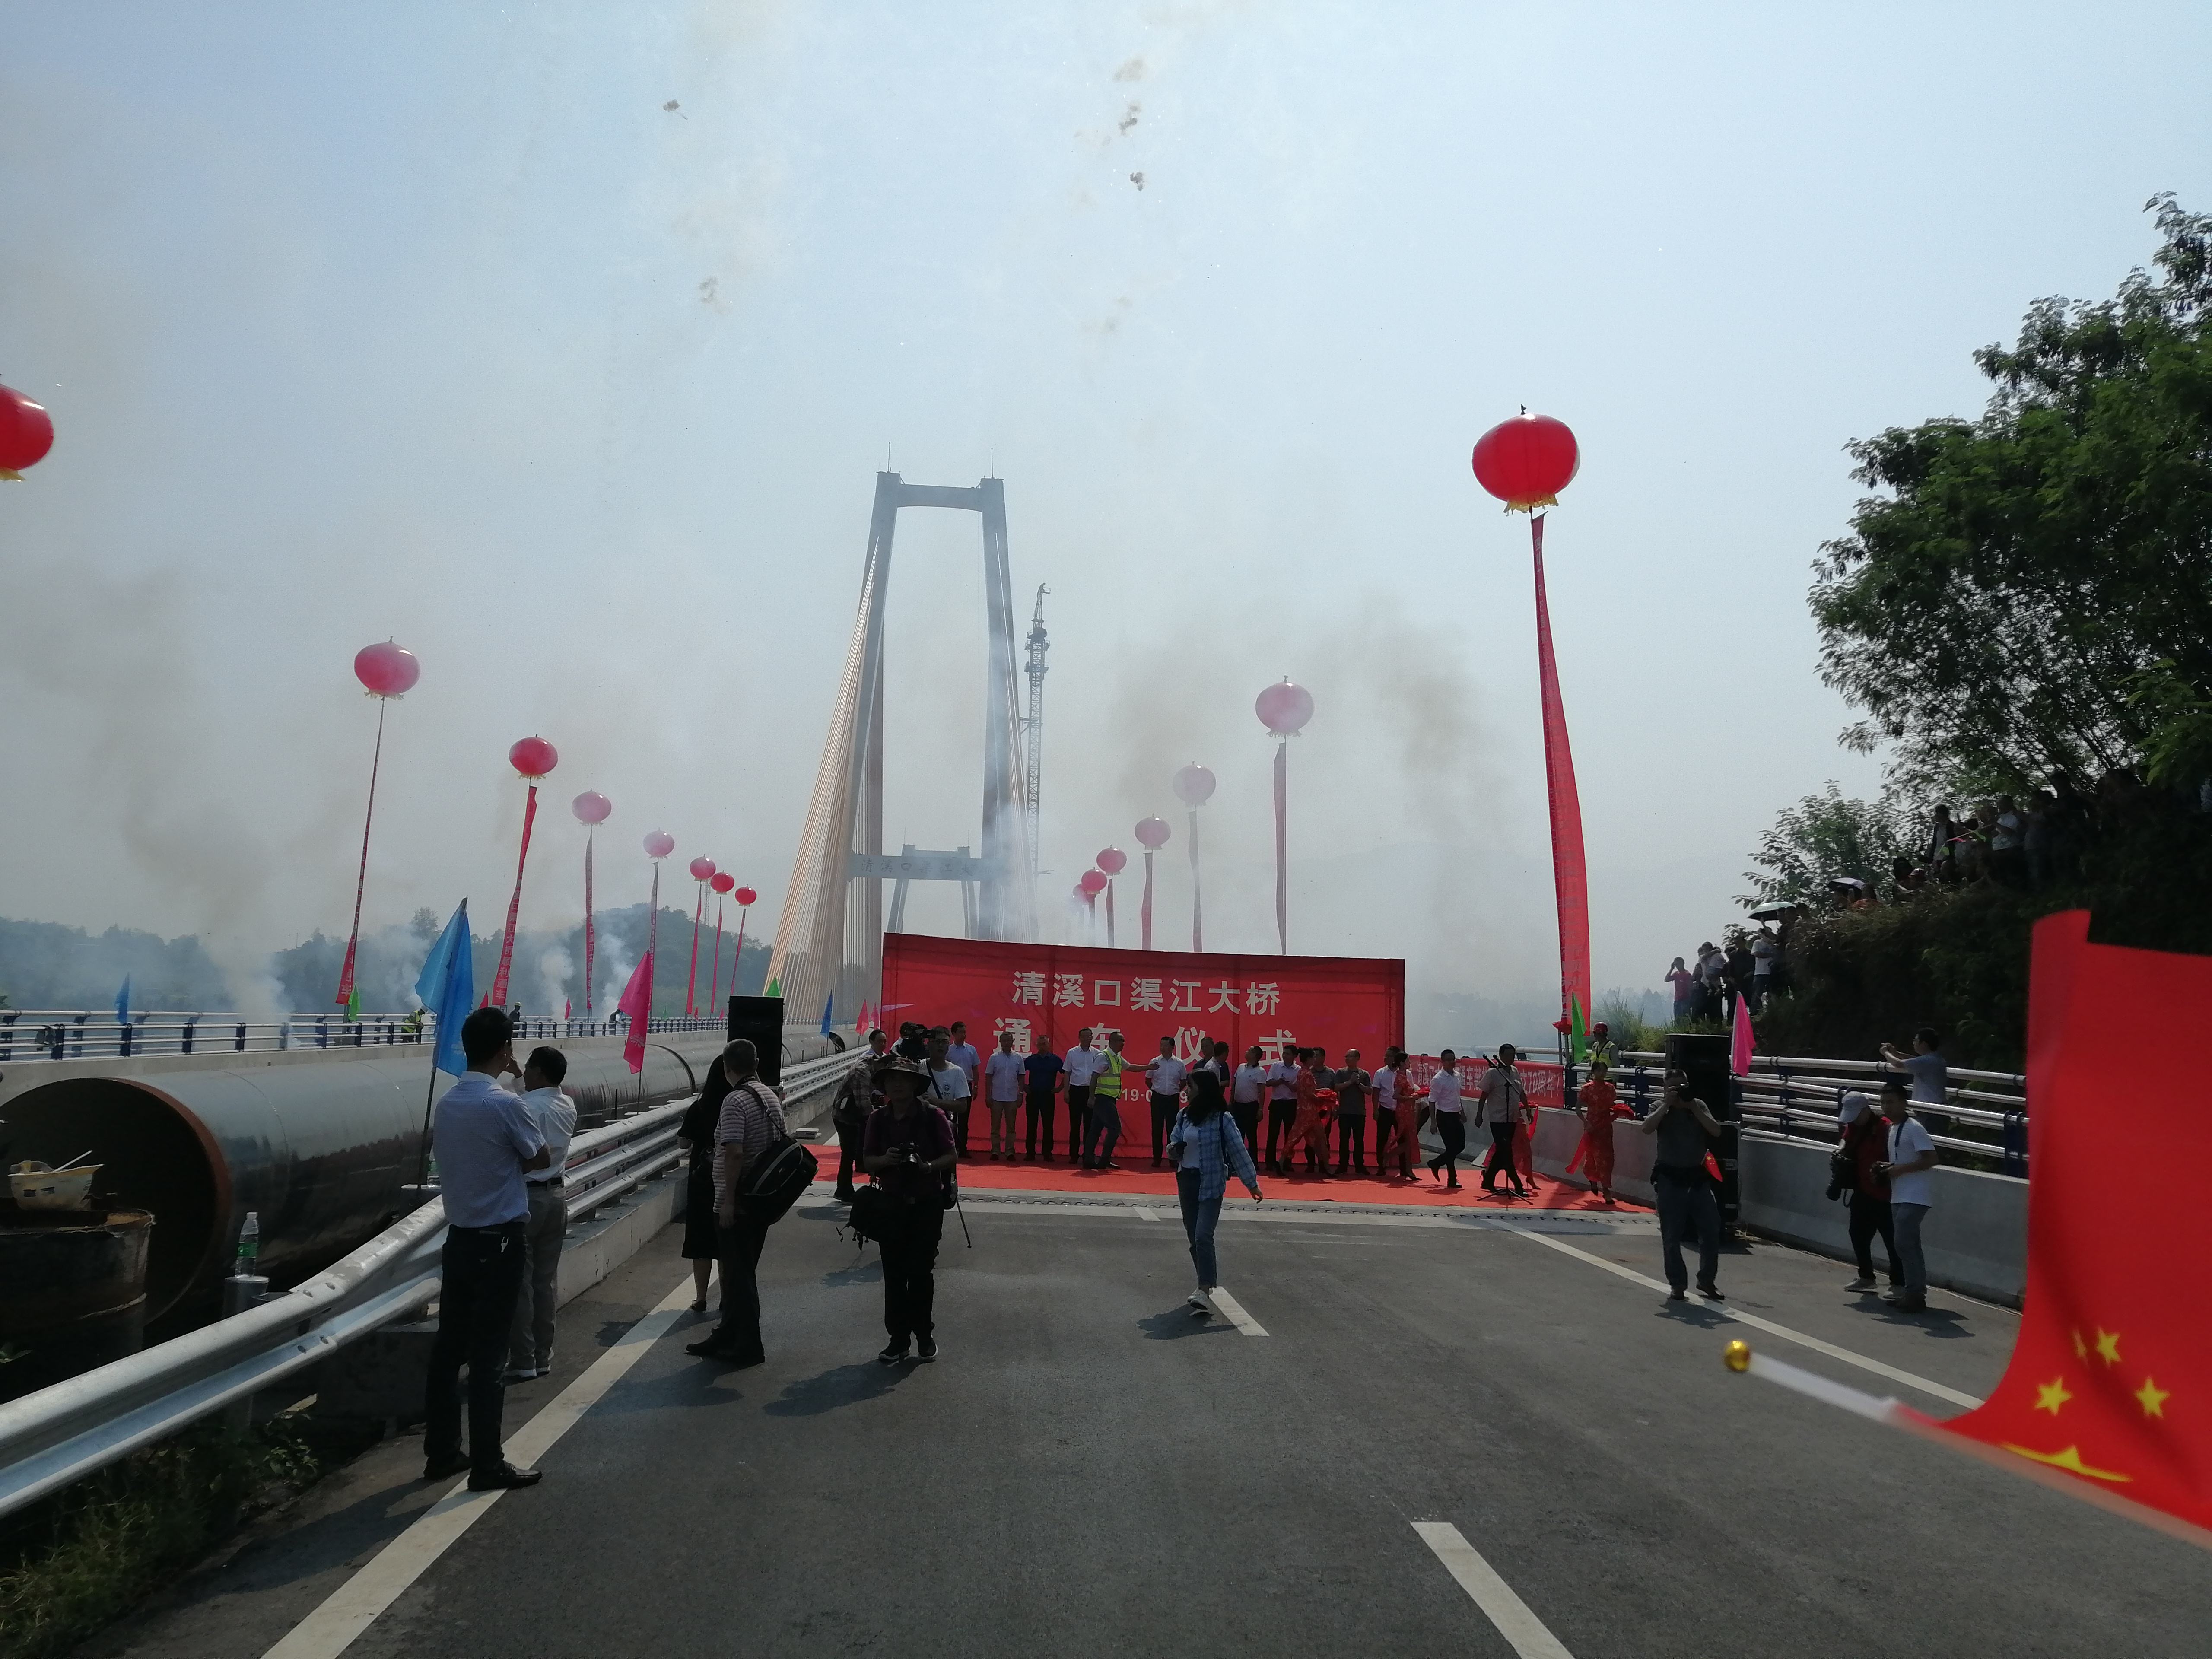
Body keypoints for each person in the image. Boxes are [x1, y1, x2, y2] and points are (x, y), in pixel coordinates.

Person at [422, 1007, 550, 1491]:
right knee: (490, 1356)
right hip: (500, 1242)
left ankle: (441, 1452)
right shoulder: (504, 1103)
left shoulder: (448, 1103)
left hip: (459, 1240)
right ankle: (487, 1464)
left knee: (448, 1350)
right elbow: (539, 1156)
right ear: (505, 1050)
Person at [686, 1039, 787, 1367]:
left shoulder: (735, 1100)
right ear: (756, 1064)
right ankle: (726, 1335)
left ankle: (747, 1346)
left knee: (738, 1276)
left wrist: (727, 1201)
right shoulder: (770, 1096)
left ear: (726, 1068)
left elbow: (734, 1152)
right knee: (739, 1272)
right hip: (761, 1198)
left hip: (738, 1200)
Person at [861, 1053, 957, 1363]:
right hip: (891, 1205)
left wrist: (928, 1167)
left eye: (904, 1079)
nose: (897, 1084)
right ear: (884, 1086)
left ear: (915, 1085)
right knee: (893, 1275)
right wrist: (886, 1160)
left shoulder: (932, 1116)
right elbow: (868, 1161)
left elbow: (951, 1156)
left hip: (927, 1204)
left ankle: (925, 1336)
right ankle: (898, 1339)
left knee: (921, 1273)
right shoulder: (878, 1119)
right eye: (891, 1079)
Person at [505, 1046, 576, 1383]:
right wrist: (519, 1076)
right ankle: (543, 1354)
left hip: (527, 1199)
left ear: (540, 1073)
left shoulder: (526, 1107)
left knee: (521, 1281)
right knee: (545, 1281)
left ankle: (523, 1359)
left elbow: (522, 1113)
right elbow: (534, 1101)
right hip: (557, 1196)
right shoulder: (567, 1104)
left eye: (530, 1069)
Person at [1167, 1070, 1263, 1315]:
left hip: (1211, 1182)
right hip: (1187, 1181)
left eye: (1191, 1086)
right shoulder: (1184, 1116)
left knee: (1203, 1235)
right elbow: (1173, 1143)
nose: (1187, 1090)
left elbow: (1238, 1150)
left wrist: (1251, 1183)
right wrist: (1175, 1149)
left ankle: (1203, 1289)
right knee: (1193, 1237)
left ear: (1203, 1089)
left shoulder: (1223, 1118)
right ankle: (1205, 1284)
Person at [1638, 1067, 1724, 1302]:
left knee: (1711, 1229)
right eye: (1673, 1087)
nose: (1678, 1091)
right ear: (1665, 1089)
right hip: (1670, 1179)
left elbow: (1716, 1131)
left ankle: (1707, 1279)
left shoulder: (1698, 1105)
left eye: (1682, 1086)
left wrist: (1693, 1107)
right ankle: (1677, 1284)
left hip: (1697, 1178)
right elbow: (1646, 1128)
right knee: (1671, 1235)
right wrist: (1667, 1105)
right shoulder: (1659, 1107)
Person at [677, 1053, 731, 1310]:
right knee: (725, 1241)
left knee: (700, 1240)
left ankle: (700, 1298)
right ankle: (726, 1298)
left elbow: (683, 1143)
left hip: (701, 1179)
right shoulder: (736, 1106)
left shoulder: (699, 1107)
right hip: (729, 1178)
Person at [1876, 1081, 1937, 1313]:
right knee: (1909, 1244)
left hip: (1915, 1196)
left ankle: (1914, 1293)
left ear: (1904, 1103)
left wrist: (1899, 1170)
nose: (1886, 1107)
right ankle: (1915, 1292)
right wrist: (1887, 1168)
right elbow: (1903, 1160)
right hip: (1900, 1194)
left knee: (1903, 1242)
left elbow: (1931, 1159)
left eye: (1891, 1102)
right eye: (1883, 1102)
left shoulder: (1914, 1127)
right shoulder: (1894, 1128)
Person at [1836, 1091, 1900, 1294]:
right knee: (1857, 1234)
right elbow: (1845, 1141)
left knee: (1892, 1240)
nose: (1853, 1120)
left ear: (1866, 1110)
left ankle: (1898, 1283)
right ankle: (1866, 1276)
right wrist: (1840, 1152)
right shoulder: (1854, 1127)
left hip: (1886, 1194)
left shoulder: (1886, 1128)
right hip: (1862, 1189)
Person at [828, 1030, 889, 1204]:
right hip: (845, 1115)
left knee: (856, 1149)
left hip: (853, 1113)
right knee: (848, 1153)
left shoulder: (875, 1064)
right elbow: (864, 1104)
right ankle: (844, 1190)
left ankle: (851, 1179)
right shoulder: (863, 1071)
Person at [1475, 1045, 1530, 1198]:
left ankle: (1488, 1179)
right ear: (1500, 1056)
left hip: (1512, 1118)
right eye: (1508, 1055)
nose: (1511, 1059)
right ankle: (1518, 1185)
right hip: (1498, 1119)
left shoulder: (1514, 1071)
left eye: (1513, 1055)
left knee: (1502, 1151)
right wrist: (1479, 1115)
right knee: (1506, 1151)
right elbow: (1483, 1096)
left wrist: (1527, 1109)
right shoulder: (1493, 1073)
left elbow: (1521, 1092)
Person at [1573, 1057, 1626, 1203]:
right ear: (1593, 1072)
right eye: (1599, 1070)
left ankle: (1606, 1188)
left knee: (1607, 1158)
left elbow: (1611, 1106)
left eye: (1604, 1070)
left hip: (1606, 1127)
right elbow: (1578, 1108)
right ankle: (1596, 1181)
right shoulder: (1587, 1088)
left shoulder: (1610, 1088)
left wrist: (1620, 1111)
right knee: (1593, 1156)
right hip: (1592, 1126)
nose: (1602, 1073)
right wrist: (1586, 1122)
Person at [1880, 1027, 1950, 1135]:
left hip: (1929, 1111)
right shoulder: (1934, 1059)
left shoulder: (1927, 1061)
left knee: (1929, 1139)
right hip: (1934, 1108)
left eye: (1916, 1040)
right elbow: (1914, 1061)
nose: (1914, 1043)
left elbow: (1898, 1064)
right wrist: (1896, 1053)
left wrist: (1885, 1053)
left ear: (1924, 1044)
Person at [924, 1030, 974, 1157]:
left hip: (943, 1128)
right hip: (920, 1127)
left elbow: (962, 1106)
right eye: (937, 1042)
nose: (941, 1045)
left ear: (949, 1045)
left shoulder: (957, 1072)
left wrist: (935, 1101)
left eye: (944, 1042)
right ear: (929, 1044)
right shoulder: (919, 1067)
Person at [1084, 1030, 1129, 1170]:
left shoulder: (1117, 1057)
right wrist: (1091, 1097)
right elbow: (1094, 1077)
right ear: (1113, 1042)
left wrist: (1149, 1067)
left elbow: (1131, 1067)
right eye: (1121, 1041)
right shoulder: (1103, 1056)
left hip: (1110, 1098)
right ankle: (1104, 1160)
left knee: (1096, 1130)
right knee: (1115, 1128)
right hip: (1103, 1098)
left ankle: (1089, 1160)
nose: (1123, 1044)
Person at [1145, 1035, 1189, 1167]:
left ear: (1172, 1047)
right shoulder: (1155, 1062)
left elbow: (1183, 1081)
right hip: (1157, 1098)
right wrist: (1156, 1089)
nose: (1162, 1048)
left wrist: (1175, 1090)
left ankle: (1172, 1158)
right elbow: (1148, 1080)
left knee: (1173, 1128)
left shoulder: (1179, 1063)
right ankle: (1157, 1158)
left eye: (1165, 1045)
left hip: (1172, 1098)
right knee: (1157, 1128)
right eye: (1161, 1045)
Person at [982, 1030, 1027, 1161]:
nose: (1007, 1043)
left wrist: (1021, 1094)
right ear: (1000, 1042)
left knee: (1011, 1127)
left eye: (1009, 1040)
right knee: (995, 1127)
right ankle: (995, 1151)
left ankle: (1010, 1151)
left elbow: (1021, 1077)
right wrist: (988, 1095)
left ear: (1013, 1042)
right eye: (1004, 1040)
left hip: (1012, 1097)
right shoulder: (994, 1058)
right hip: (996, 1096)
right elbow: (988, 1077)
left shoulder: (1018, 1058)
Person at [1062, 1027, 1105, 1162]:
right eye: (1084, 1036)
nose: (1087, 1039)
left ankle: (1088, 1155)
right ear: (1079, 1038)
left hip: (1090, 1092)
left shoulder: (1098, 1054)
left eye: (1089, 1036)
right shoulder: (1072, 1053)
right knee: (1075, 1125)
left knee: (1090, 1126)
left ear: (1092, 1037)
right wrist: (1066, 1092)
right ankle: (1074, 1155)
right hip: (1076, 1091)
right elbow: (1067, 1073)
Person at [1425, 1050, 1467, 1187]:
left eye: (1453, 1059)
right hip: (1444, 1115)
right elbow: (1432, 1101)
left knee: (1460, 1146)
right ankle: (1452, 1179)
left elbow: (1457, 1096)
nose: (1452, 1062)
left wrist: (1462, 1112)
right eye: (1448, 1060)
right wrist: (1433, 1122)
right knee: (1451, 1147)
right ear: (1442, 1062)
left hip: (1456, 1114)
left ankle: (1436, 1163)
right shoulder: (1438, 1079)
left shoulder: (1457, 1076)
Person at [1263, 1038, 1300, 1176]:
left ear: (1295, 1056)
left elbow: (1297, 1089)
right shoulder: (1276, 1066)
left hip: (1291, 1103)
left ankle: (1287, 1162)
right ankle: (1270, 1161)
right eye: (1284, 1053)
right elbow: (1268, 1083)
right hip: (1277, 1103)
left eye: (1288, 1054)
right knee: (1273, 1133)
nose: (1285, 1056)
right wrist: (1279, 1081)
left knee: (1290, 1135)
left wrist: (1286, 1083)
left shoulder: (1298, 1070)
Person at [1022, 1039, 1064, 1161]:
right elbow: (1020, 1072)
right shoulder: (1031, 1059)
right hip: (1033, 1095)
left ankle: (1047, 1153)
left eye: (1044, 1044)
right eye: (1040, 1044)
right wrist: (1024, 1086)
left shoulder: (1055, 1059)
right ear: (1037, 1046)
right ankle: (1030, 1152)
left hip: (1048, 1096)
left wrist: (1060, 1088)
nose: (1042, 1046)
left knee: (1048, 1125)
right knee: (1032, 1125)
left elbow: (1066, 1073)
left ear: (1049, 1045)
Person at [1291, 1050, 1332, 1175]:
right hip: (1312, 1111)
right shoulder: (1308, 1073)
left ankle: (1323, 1166)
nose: (1315, 1059)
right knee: (1320, 1140)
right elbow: (1310, 1094)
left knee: (1300, 1139)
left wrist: (1324, 1094)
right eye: (1314, 1057)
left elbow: (1309, 1092)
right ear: (1309, 1059)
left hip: (1309, 1110)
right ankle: (1323, 1166)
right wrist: (1325, 1098)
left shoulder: (1302, 1072)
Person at [1332, 1049, 1371, 1174]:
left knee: (1359, 1140)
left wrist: (1358, 1083)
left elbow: (1369, 1091)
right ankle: (1343, 1165)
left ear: (1357, 1058)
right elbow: (1336, 1087)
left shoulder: (1364, 1074)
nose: (1347, 1059)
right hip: (1345, 1112)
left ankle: (1359, 1165)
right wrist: (1350, 1082)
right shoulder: (1341, 1072)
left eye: (1350, 1056)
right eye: (1346, 1056)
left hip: (1359, 1112)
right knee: (1344, 1139)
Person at [1386, 1050, 1420, 1180]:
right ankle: (1389, 1156)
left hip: (1408, 1110)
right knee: (1408, 1141)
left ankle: (1408, 1170)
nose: (1409, 1063)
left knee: (1410, 1141)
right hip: (1403, 1111)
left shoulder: (1406, 1075)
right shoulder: (1400, 1077)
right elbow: (1396, 1096)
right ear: (1402, 1063)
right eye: (1407, 1061)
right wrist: (1411, 1098)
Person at [1230, 1045, 1267, 1159]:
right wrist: (1231, 1101)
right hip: (1238, 1106)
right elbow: (1235, 1085)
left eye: (1249, 1051)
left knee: (1251, 1136)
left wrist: (1260, 1109)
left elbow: (1262, 1092)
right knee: (1238, 1135)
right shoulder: (1241, 1067)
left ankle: (1253, 1162)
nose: (1246, 1052)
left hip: (1251, 1107)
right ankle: (1237, 1162)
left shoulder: (1260, 1071)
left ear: (1255, 1055)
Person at [1370, 1047, 1403, 1172]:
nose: (1385, 1058)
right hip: (1385, 1110)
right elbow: (1376, 1093)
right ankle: (1381, 1166)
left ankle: (1404, 1168)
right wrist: (1375, 1110)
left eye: (1388, 1056)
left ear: (1395, 1058)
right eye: (1385, 1056)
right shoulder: (1380, 1073)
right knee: (1382, 1139)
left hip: (1400, 1111)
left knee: (1402, 1139)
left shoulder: (1405, 1073)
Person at [945, 1021, 983, 1101]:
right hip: (951, 1084)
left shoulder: (971, 1050)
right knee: (952, 1107)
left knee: (966, 1108)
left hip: (967, 1085)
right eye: (961, 1032)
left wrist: (976, 1086)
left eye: (964, 1032)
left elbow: (975, 1070)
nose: (963, 1035)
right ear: (954, 1034)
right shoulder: (948, 1050)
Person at [1665, 956, 1697, 1024]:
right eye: (1676, 965)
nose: (1677, 966)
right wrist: (1671, 969)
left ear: (1683, 964)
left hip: (1685, 999)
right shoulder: (1676, 974)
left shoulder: (1687, 974)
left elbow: (1690, 987)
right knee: (1677, 1019)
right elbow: (1667, 980)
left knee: (1685, 1018)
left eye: (1678, 964)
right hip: (1677, 1000)